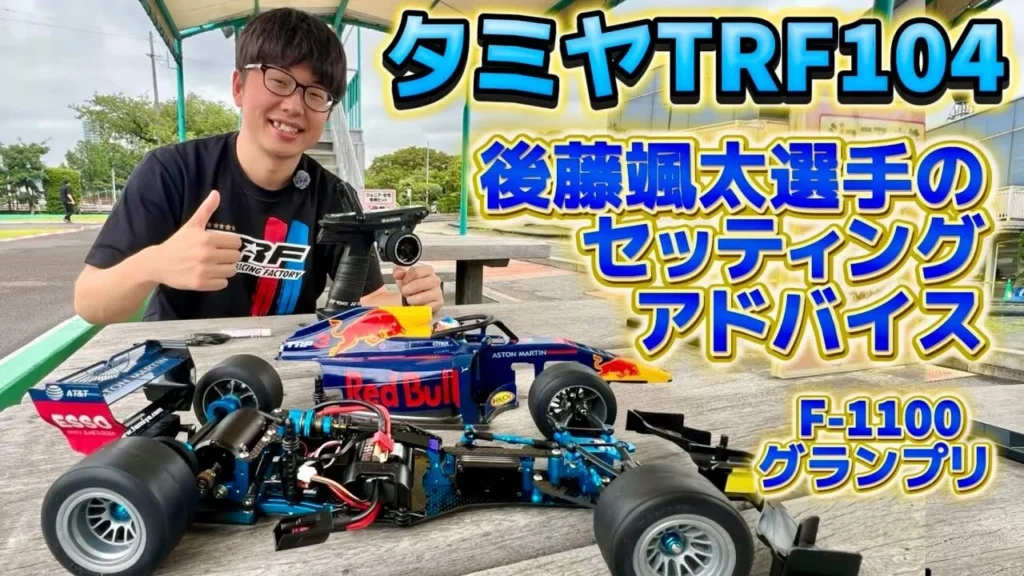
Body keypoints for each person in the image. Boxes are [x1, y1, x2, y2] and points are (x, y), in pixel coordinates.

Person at [73, 8, 443, 325]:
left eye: (316, 94)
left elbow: (368, 299)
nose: (294, 106)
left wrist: (412, 299)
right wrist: (154, 264)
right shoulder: (172, 171)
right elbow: (91, 303)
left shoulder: (332, 196)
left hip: (283, 368)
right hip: (182, 365)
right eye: (279, 81)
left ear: (327, 113)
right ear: (238, 86)